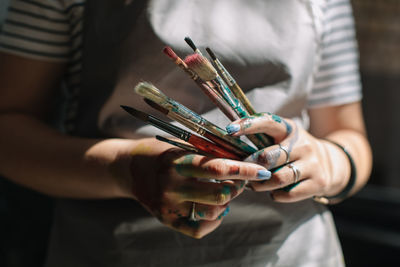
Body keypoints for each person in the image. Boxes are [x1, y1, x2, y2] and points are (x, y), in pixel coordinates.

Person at [0, 0, 372, 266]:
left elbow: (348, 136)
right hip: (113, 250)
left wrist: (331, 163)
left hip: (295, 254)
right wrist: (123, 167)